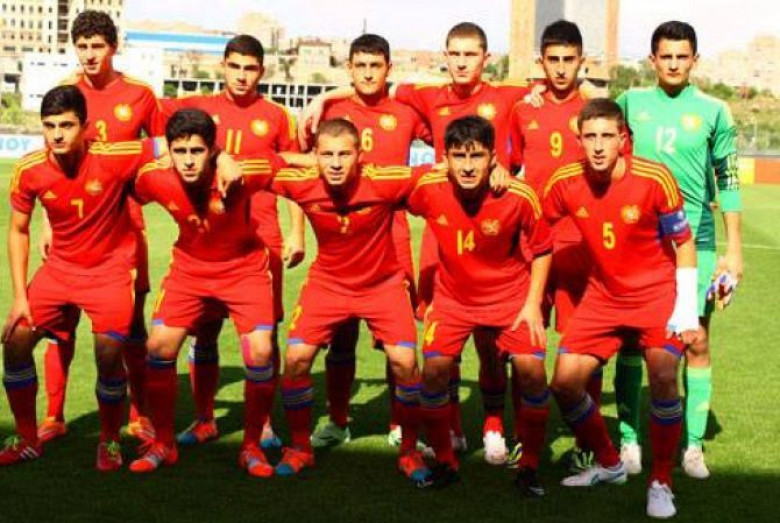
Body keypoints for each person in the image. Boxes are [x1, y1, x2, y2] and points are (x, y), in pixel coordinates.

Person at [302, 22, 536, 462]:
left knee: (443, 339)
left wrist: (504, 163)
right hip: (369, 229)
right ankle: (347, 419)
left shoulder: (494, 96)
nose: (462, 62)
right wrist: (322, 96)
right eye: (454, 54)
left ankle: (420, 423)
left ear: (485, 58)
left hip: (427, 229)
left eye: (470, 54)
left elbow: (551, 92)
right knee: (368, 333)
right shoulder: (409, 100)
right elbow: (372, 86)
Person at [543, 98, 700, 519]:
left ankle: (661, 481)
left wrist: (686, 309)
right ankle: (610, 464)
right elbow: (535, 226)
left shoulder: (654, 178)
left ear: (623, 139)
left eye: (607, 136)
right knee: (564, 384)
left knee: (663, 376)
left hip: (656, 295)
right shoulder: (564, 182)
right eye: (589, 136)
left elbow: (684, 243)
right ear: (579, 140)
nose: (598, 146)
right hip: (603, 296)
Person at [127, 109, 302, 476]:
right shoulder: (153, 178)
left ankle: (251, 447)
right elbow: (115, 182)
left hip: (244, 270)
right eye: (180, 151)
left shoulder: (244, 172)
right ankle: (164, 443)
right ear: (169, 151)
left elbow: (293, 162)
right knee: (158, 346)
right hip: (189, 271)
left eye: (197, 151)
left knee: (261, 351)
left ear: (211, 149)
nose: (188, 160)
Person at [1, 86, 162, 470]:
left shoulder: (114, 156)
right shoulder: (29, 169)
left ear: (85, 126)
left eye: (67, 125)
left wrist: (222, 158)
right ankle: (27, 437)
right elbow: (18, 230)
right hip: (59, 270)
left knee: (108, 355)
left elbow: (168, 143)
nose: (57, 134)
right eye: (49, 126)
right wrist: (20, 296)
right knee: (16, 342)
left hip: (109, 272)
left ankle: (109, 440)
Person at [161, 34, 305, 448]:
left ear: (262, 71)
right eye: (235, 66)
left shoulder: (278, 116)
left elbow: (292, 176)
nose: (242, 76)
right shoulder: (197, 108)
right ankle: (204, 418)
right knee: (203, 332)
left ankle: (263, 424)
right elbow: (149, 113)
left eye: (250, 68)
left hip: (262, 237)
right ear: (222, 66)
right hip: (208, 237)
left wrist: (296, 231)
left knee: (263, 337)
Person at [614, 21, 742, 479]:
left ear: (694, 60)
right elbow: (594, 132)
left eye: (681, 56)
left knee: (697, 339)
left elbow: (728, 179)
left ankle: (693, 446)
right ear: (652, 60)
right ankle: (629, 441)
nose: (673, 64)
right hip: (639, 241)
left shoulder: (714, 111)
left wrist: (734, 250)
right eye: (665, 56)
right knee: (632, 339)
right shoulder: (630, 103)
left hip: (697, 241)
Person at [271, 118, 431, 483]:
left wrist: (496, 169)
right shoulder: (303, 182)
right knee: (295, 359)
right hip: (328, 285)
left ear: (360, 155)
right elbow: (261, 165)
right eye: (327, 155)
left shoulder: (383, 180)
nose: (336, 163)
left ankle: (409, 451)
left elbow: (438, 173)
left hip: (383, 285)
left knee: (406, 362)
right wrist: (222, 159)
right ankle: (300, 448)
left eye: (344, 154)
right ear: (315, 156)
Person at [37, 9, 167, 445]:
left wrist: (146, 190)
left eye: (98, 46)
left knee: (130, 327)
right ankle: (53, 416)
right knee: (60, 325)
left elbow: (164, 152)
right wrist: (47, 223)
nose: (90, 55)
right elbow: (48, 165)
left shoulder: (141, 95)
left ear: (114, 47)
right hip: (70, 225)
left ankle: (139, 413)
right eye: (82, 46)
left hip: (124, 227)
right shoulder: (64, 93)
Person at [407, 116, 552, 495]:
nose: (468, 166)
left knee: (533, 373)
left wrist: (533, 304)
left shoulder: (518, 195)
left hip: (510, 299)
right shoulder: (428, 188)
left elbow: (542, 249)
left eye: (477, 156)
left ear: (493, 159)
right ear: (445, 158)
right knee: (434, 373)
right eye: (459, 156)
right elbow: (381, 185)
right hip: (453, 300)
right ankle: (446, 462)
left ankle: (529, 466)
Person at [302, 33, 431, 450]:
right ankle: (337, 420)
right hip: (342, 235)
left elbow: (446, 130)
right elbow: (303, 171)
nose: (369, 74)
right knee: (340, 336)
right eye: (361, 66)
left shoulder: (406, 112)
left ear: (388, 69)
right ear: (349, 69)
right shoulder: (330, 112)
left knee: (398, 343)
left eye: (376, 66)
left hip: (392, 235)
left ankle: (399, 424)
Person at [507, 19, 598, 471]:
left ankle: (587, 443)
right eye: (553, 60)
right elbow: (504, 169)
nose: (561, 69)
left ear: (583, 61)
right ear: (540, 62)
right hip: (532, 243)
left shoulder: (597, 111)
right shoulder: (523, 108)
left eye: (569, 60)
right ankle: (525, 439)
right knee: (525, 344)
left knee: (584, 347)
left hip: (581, 244)